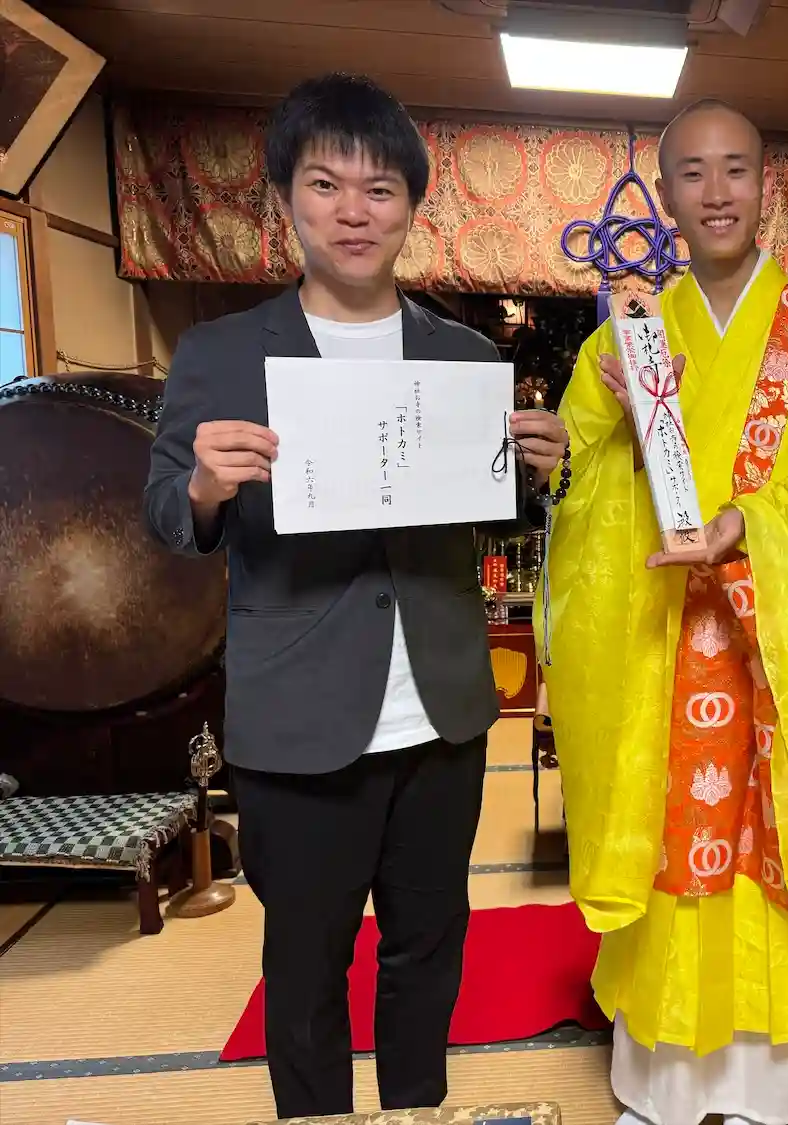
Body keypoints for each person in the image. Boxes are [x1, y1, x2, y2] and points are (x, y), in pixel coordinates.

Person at [143, 73, 568, 1119]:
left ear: (412, 207)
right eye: (325, 184)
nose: (353, 211)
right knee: (304, 967)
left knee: (429, 951)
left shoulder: (464, 355)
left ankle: (417, 1110)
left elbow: (488, 514)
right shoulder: (221, 354)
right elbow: (165, 516)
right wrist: (203, 486)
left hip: (442, 715)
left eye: (379, 189)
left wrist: (539, 473)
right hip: (297, 721)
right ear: (284, 196)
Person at [541, 99, 788, 1125]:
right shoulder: (630, 334)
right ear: (665, 197)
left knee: (762, 850)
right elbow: (579, 487)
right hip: (657, 640)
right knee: (666, 846)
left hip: (772, 643)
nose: (716, 192)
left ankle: (755, 1089)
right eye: (692, 173)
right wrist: (594, 431)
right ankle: (657, 1085)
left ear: (764, 184)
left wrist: (749, 525)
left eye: (735, 169)